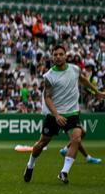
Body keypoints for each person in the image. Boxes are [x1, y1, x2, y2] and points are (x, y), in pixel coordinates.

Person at [23, 45, 105, 184]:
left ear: (65, 55)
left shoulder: (74, 69)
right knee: (42, 143)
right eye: (55, 54)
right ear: (52, 57)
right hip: (54, 114)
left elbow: (83, 80)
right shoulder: (49, 76)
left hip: (72, 112)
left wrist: (96, 92)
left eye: (61, 54)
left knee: (77, 138)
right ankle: (30, 165)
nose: (58, 57)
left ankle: (64, 172)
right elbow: (47, 97)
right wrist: (56, 115)